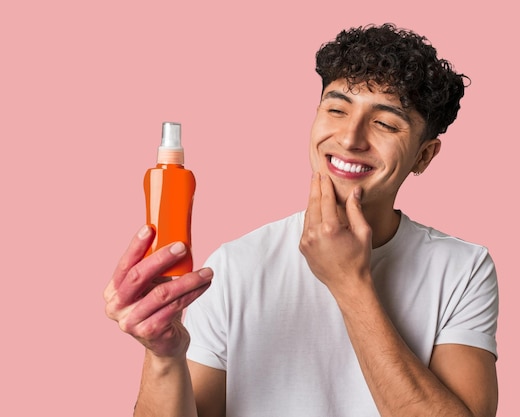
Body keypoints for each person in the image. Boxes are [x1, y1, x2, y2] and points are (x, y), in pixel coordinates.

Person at [104, 23, 499, 417]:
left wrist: (349, 282)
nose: (350, 138)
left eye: (384, 123)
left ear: (424, 156)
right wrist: (162, 354)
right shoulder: (236, 264)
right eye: (337, 110)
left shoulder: (463, 269)